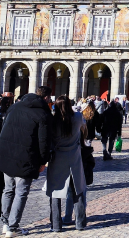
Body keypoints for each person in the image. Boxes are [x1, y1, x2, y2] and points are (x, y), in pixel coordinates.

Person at [0, 85, 53, 238]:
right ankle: (12, 227)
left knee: (8, 189)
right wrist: (43, 161)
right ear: (46, 98)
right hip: (26, 157)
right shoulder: (43, 113)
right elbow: (44, 141)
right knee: (21, 193)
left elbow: (4, 129)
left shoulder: (15, 107)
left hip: (7, 155)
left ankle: (5, 224)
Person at [46, 96, 87, 232]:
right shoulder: (77, 116)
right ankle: (80, 223)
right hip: (74, 156)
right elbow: (84, 130)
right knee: (78, 189)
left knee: (55, 191)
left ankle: (56, 225)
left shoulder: (52, 120)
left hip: (57, 156)